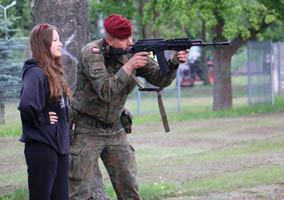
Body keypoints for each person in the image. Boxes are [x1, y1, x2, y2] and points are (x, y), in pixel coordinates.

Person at [68, 14, 188, 200]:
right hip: (87, 130)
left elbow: (159, 79)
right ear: (109, 40)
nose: (130, 42)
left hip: (116, 129)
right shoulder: (91, 53)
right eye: (124, 39)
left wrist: (173, 62)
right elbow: (105, 91)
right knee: (78, 191)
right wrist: (129, 67)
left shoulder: (132, 51)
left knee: (129, 188)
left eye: (131, 37)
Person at [18, 24, 72, 200]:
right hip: (42, 147)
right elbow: (27, 105)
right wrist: (41, 118)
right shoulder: (35, 73)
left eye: (59, 40)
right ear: (43, 45)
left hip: (59, 147)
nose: (60, 44)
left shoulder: (52, 72)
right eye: (55, 40)